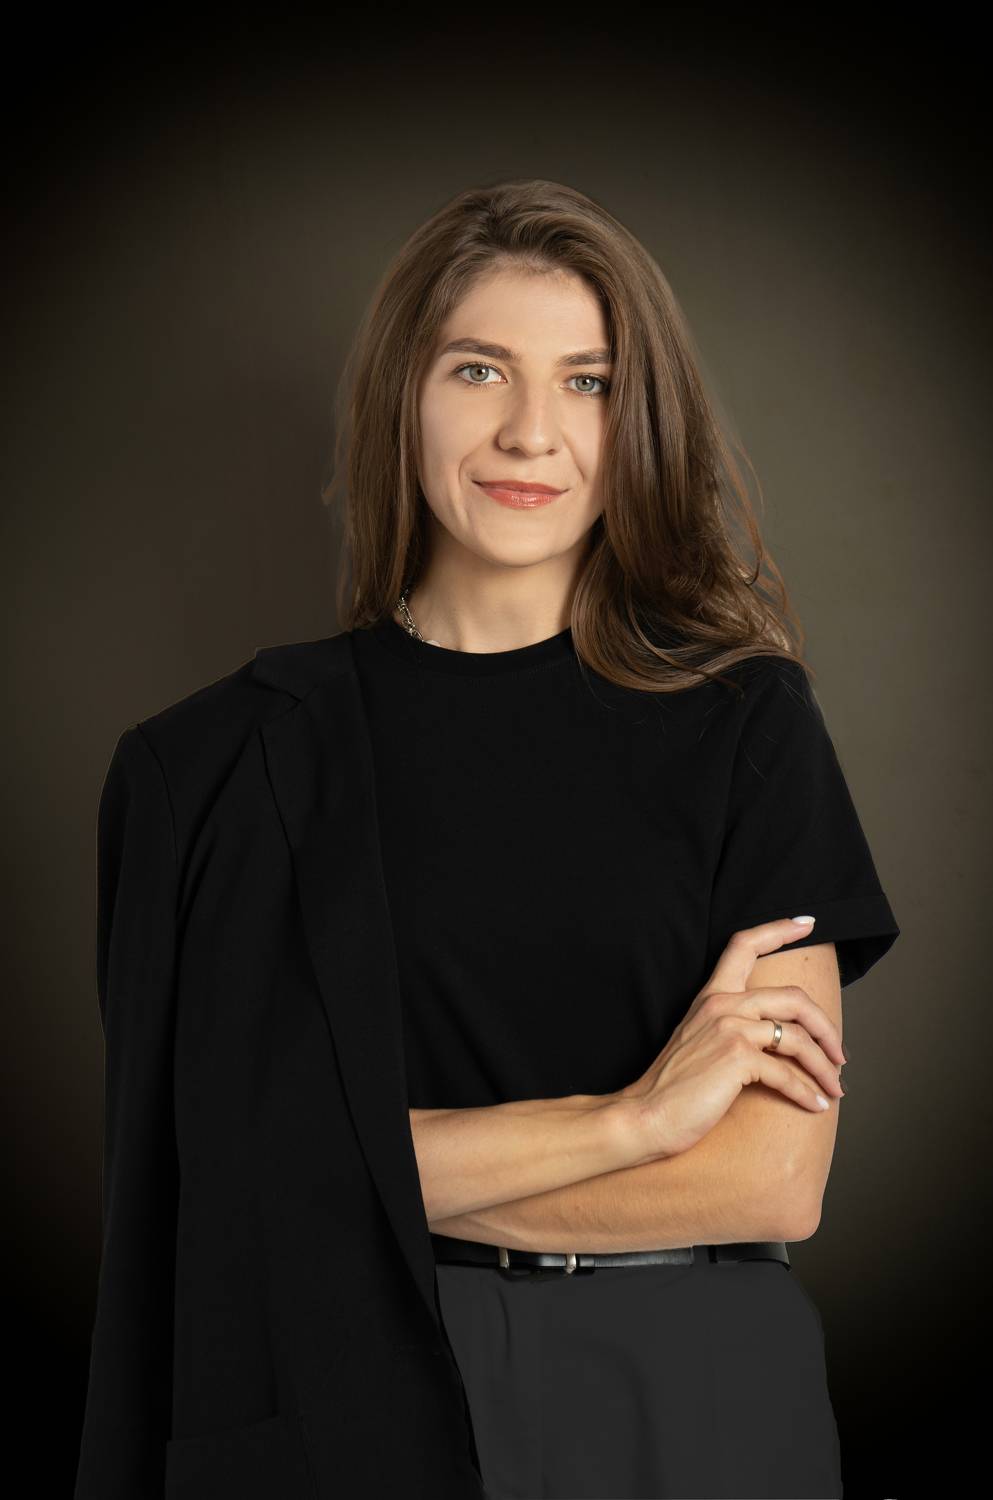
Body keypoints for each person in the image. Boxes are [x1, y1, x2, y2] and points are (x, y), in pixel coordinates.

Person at [74, 179, 899, 1500]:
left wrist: (347, 1167)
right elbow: (207, 1183)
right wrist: (632, 1121)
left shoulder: (746, 721)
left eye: (588, 381)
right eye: (478, 370)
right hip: (352, 1397)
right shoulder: (214, 767)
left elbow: (768, 1178)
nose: (531, 431)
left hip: (695, 1391)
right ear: (401, 396)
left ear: (639, 419)